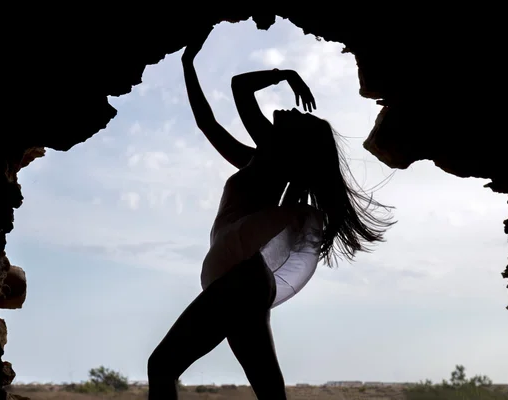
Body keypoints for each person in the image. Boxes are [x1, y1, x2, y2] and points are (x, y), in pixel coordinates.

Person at [147, 26, 394, 400]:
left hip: (241, 281)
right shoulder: (258, 161)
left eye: (296, 117)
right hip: (244, 281)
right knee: (270, 393)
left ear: (289, 140)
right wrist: (186, 64)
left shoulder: (274, 157)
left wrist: (282, 75)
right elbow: (207, 123)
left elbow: (239, 88)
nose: (292, 109)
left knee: (162, 367)